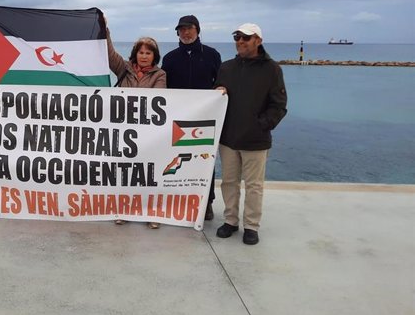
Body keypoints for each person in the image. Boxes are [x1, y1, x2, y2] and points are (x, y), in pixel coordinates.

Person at [214, 23, 287, 245]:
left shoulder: (273, 69)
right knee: (229, 182)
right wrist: (218, 92)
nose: (241, 41)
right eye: (237, 37)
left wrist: (262, 125)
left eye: (246, 37)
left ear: (258, 41)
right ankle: (230, 221)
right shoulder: (226, 68)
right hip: (229, 138)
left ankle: (251, 226)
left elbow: (279, 105)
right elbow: (217, 96)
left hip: (256, 140)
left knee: (254, 186)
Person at [105, 16, 166, 229]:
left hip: (149, 134)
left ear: (154, 56)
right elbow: (110, 54)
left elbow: (156, 99)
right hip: (125, 132)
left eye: (148, 53)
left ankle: (152, 213)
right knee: (124, 173)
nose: (144, 56)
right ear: (135, 54)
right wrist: (106, 29)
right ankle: (123, 210)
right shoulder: (124, 69)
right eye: (141, 52)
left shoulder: (160, 75)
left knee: (150, 174)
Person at [161, 15, 221, 221]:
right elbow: (163, 89)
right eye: (182, 29)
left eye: (190, 28)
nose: (186, 32)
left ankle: (208, 202)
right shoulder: (169, 58)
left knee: (206, 159)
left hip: (205, 119)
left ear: (198, 30)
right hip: (176, 119)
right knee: (176, 159)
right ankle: (178, 198)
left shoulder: (212, 55)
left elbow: (219, 83)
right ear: (178, 32)